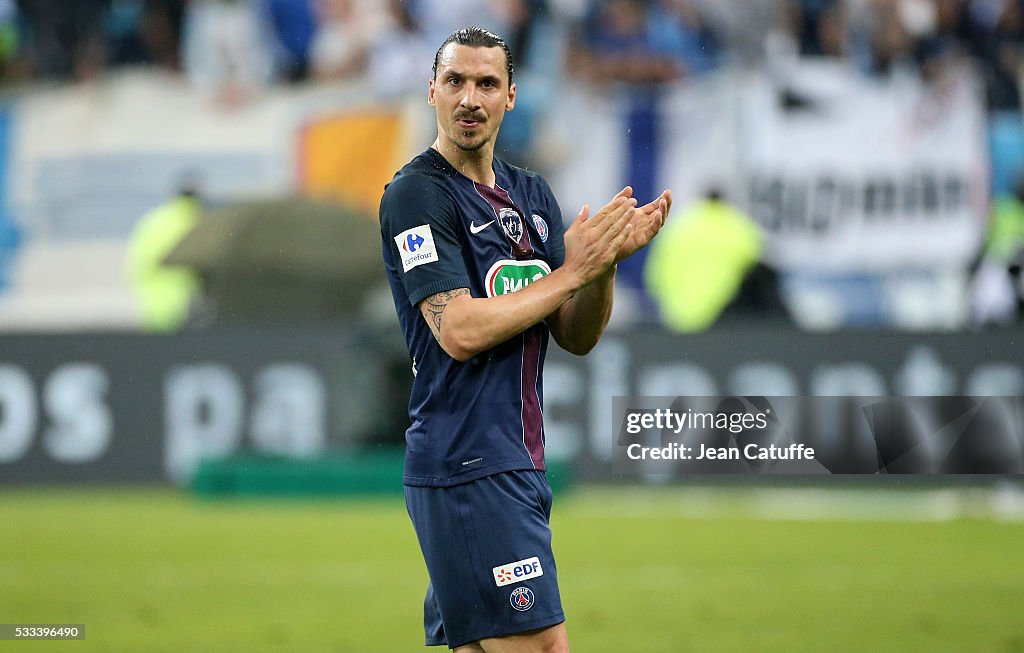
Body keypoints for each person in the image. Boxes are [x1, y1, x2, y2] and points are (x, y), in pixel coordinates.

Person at [379, 26, 670, 652]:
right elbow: (458, 330)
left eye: (487, 83)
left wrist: (601, 269)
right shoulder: (416, 194)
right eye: (455, 81)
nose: (469, 98)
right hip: (467, 461)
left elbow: (576, 335)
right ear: (431, 91)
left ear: (511, 96)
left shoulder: (532, 196)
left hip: (516, 461)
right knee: (543, 646)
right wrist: (570, 272)